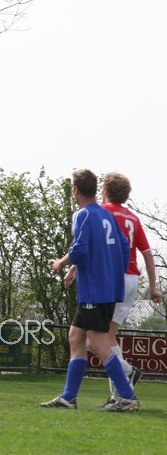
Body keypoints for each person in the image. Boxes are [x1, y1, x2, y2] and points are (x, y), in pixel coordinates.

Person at [41, 169, 136, 411]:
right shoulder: (106, 215)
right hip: (103, 288)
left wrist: (61, 263)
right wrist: (112, 270)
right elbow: (124, 246)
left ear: (76, 190)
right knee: (76, 337)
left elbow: (80, 249)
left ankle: (127, 396)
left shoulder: (82, 215)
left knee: (96, 342)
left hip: (95, 289)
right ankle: (69, 397)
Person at [100, 171, 162, 405]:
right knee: (109, 337)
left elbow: (92, 244)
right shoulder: (133, 219)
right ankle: (117, 394)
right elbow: (147, 253)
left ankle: (127, 372)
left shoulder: (102, 212)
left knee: (95, 338)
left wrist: (74, 267)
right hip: (131, 280)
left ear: (105, 191)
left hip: (111, 278)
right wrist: (153, 287)